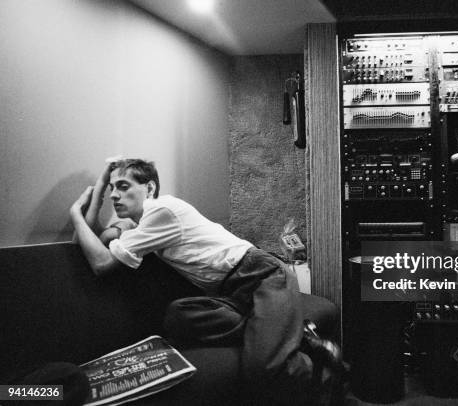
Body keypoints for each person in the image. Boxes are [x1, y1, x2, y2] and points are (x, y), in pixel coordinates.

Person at [69, 158, 341, 405]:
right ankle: (294, 334)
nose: (115, 195)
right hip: (232, 293)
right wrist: (102, 185)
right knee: (179, 314)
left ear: (149, 188)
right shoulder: (141, 228)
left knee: (263, 368)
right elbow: (95, 240)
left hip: (262, 275)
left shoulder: (161, 211)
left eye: (123, 186)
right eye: (113, 188)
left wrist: (75, 215)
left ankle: (327, 377)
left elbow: (101, 264)